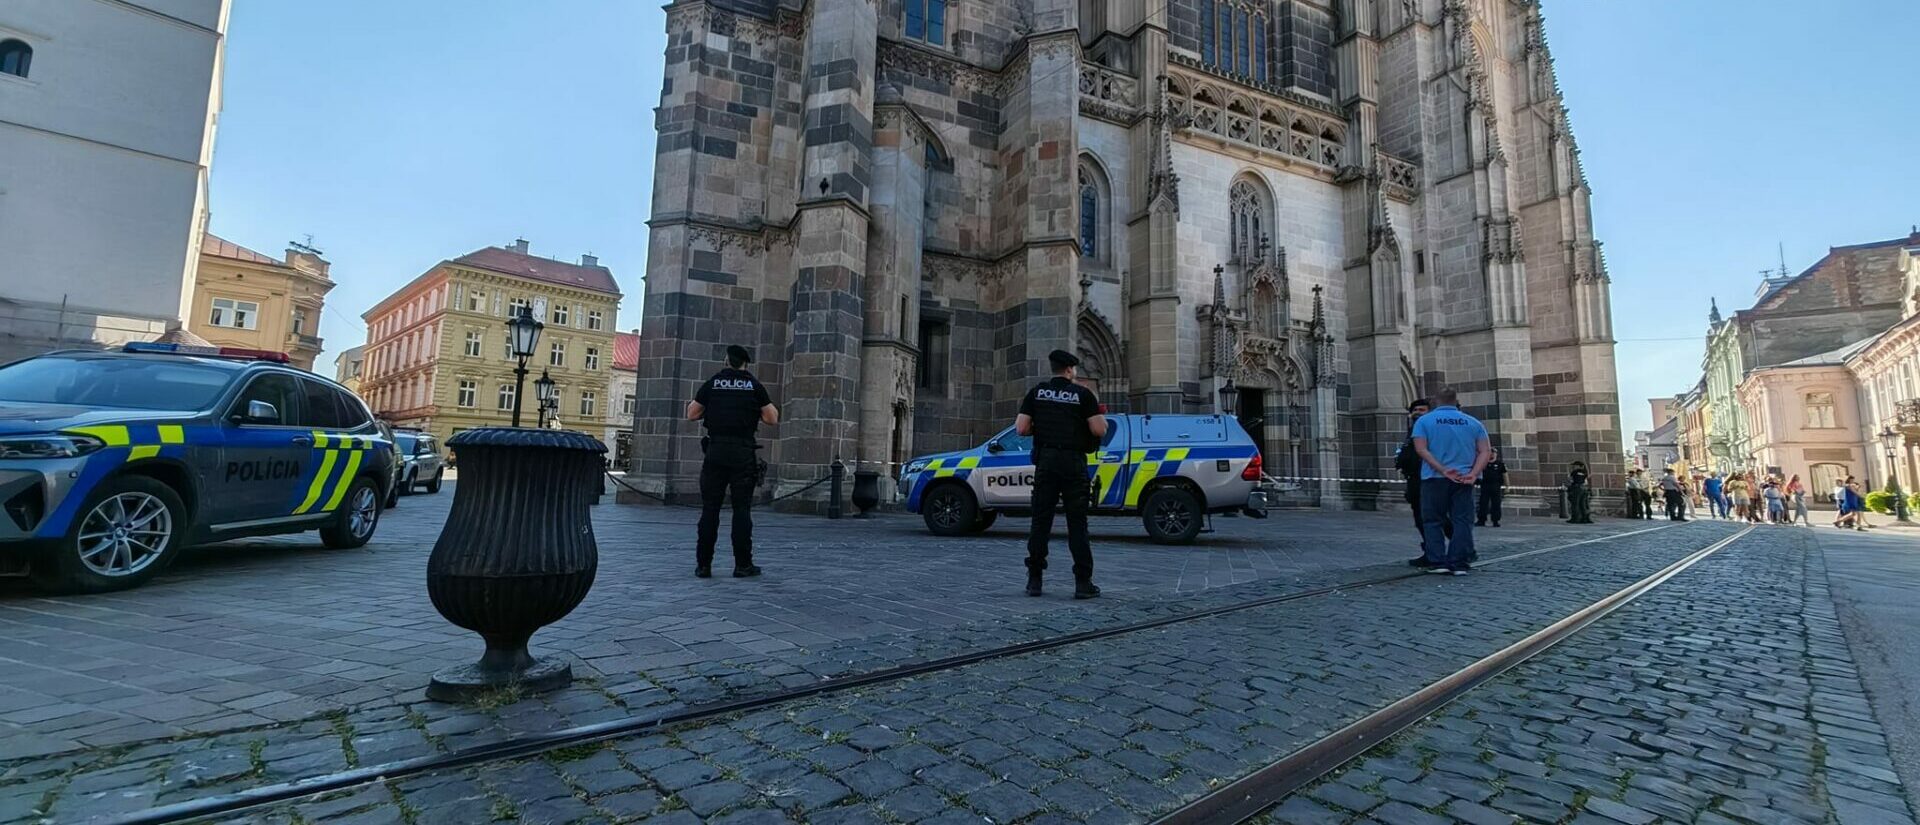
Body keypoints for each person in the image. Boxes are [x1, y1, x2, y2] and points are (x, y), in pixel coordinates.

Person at [1018, 350, 1107, 599]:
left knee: (1040, 522)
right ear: (1070, 370)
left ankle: (1034, 580)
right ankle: (1082, 582)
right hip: (1073, 463)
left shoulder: (1037, 392)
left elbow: (1021, 428)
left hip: (1046, 462)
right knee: (1077, 524)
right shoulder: (1083, 395)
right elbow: (1098, 430)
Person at [685, 345, 778, 578]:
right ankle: (742, 565)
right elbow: (772, 418)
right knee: (741, 510)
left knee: (710, 509)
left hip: (715, 452)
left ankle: (703, 565)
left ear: (727, 361)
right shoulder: (754, 385)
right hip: (742, 453)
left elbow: (692, 413)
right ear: (746, 363)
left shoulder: (713, 382)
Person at [1411, 388, 1492, 575]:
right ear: (1456, 401)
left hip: (1434, 478)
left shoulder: (1424, 421)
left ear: (1436, 401)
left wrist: (1443, 469)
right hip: (1464, 479)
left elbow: (1421, 449)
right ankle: (1459, 563)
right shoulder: (1473, 422)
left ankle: (1438, 561)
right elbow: (1485, 451)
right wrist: (1474, 473)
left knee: (1432, 520)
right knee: (1462, 521)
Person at [1397, 399, 1451, 568]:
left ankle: (1463, 550)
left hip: (1430, 479)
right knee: (1421, 518)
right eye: (1415, 409)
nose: (1418, 412)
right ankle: (1431, 552)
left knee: (1437, 518)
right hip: (1414, 479)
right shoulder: (1413, 429)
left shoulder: (1434, 429)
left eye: (1422, 409)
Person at [1475, 448, 1508, 527]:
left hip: (1496, 486)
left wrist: (1507, 486)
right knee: (1483, 503)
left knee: (1496, 504)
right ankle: (1481, 520)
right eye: (1491, 452)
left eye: (1494, 452)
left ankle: (1495, 520)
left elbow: (1505, 475)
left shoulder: (1500, 464)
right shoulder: (1483, 463)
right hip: (1485, 486)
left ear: (1496, 454)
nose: (1492, 454)